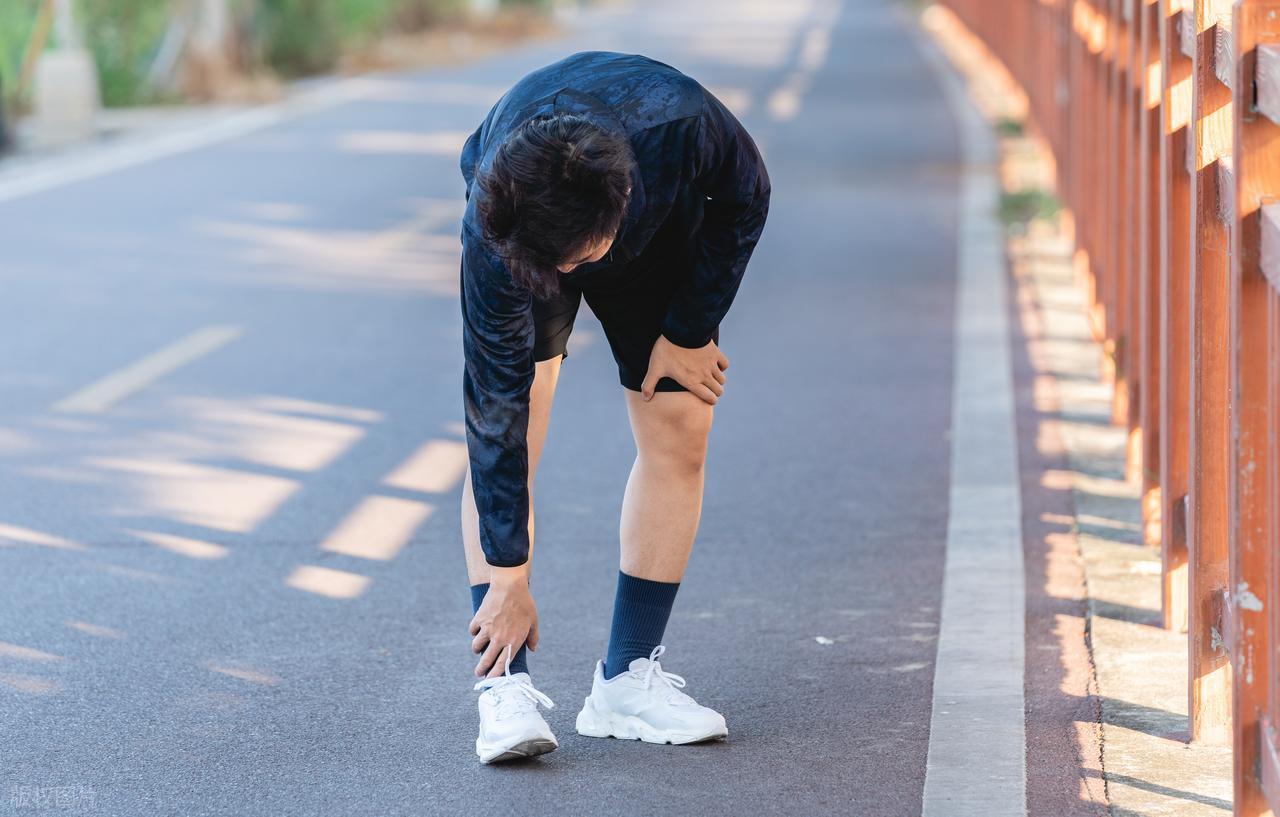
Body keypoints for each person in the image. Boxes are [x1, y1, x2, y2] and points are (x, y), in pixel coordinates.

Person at [458, 50, 770, 764]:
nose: (567, 277)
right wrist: (509, 576)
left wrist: (689, 331)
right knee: (519, 426)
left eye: (572, 261)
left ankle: (626, 681)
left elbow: (747, 198)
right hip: (528, 238)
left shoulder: (681, 122)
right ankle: (503, 686)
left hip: (654, 240)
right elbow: (493, 412)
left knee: (682, 424)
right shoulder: (498, 230)